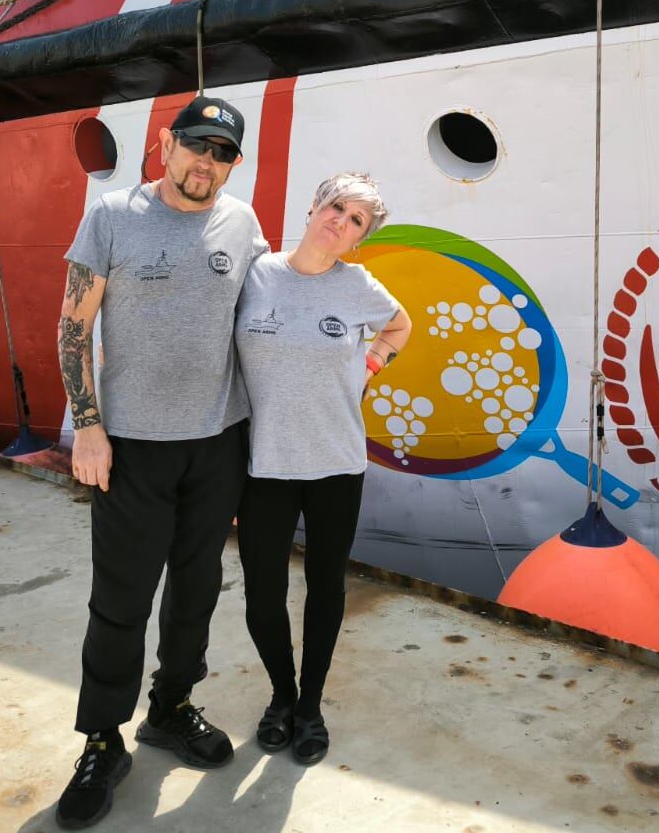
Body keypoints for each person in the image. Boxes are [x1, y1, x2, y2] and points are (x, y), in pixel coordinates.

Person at [53, 95, 267, 830]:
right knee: (121, 599)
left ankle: (170, 706)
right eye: (196, 145)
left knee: (196, 591)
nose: (205, 162)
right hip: (132, 446)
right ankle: (103, 739)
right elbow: (72, 327)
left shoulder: (241, 224)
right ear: (167, 145)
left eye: (222, 153)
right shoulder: (112, 215)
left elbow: (267, 317)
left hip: (218, 443)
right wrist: (89, 427)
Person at [234, 172, 412, 765]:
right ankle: (280, 696)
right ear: (313, 207)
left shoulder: (358, 285)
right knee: (263, 594)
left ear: (359, 238)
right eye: (336, 207)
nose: (341, 220)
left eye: (356, 220)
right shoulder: (256, 273)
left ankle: (309, 705)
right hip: (266, 463)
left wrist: (374, 361)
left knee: (325, 588)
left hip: (337, 461)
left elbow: (400, 324)